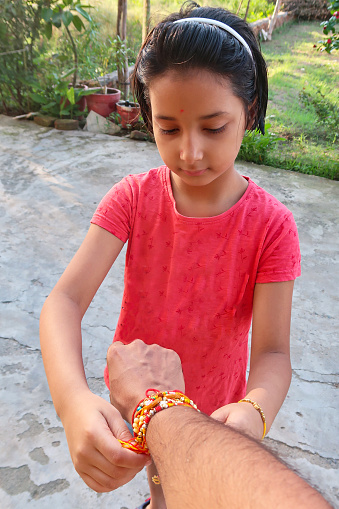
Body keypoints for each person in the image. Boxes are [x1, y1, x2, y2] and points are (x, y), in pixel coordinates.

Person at [40, 2, 301, 509]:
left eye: (213, 127)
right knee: (162, 487)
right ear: (148, 118)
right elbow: (63, 303)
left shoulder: (272, 227)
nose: (190, 152)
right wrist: (72, 402)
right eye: (169, 128)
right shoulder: (132, 199)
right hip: (139, 402)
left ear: (248, 112)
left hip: (214, 415)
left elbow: (272, 354)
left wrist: (255, 411)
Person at [107, 340, 332, 509]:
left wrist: (254, 410)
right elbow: (70, 296)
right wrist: (74, 397)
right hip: (135, 372)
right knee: (155, 458)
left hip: (213, 391)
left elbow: (274, 349)